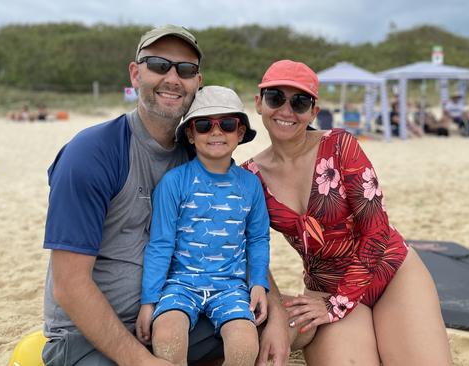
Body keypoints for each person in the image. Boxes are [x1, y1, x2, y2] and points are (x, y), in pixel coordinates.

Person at [40, 25, 289, 366]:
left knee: (294, 323)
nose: (172, 78)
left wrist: (275, 316)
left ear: (197, 82)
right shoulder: (92, 154)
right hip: (91, 337)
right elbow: (68, 286)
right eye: (158, 65)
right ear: (135, 73)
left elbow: (243, 235)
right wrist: (143, 362)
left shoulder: (200, 156)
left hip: (185, 308)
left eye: (184, 70)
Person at [242, 59, 452, 365]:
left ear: (314, 112)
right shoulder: (250, 178)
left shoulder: (340, 146)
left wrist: (337, 305)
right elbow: (251, 247)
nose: (286, 110)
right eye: (276, 98)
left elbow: (377, 230)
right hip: (325, 290)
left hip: (391, 275)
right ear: (259, 104)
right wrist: (276, 307)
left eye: (300, 102)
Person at [136, 86, 270, 366]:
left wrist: (258, 283)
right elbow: (160, 243)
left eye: (228, 124)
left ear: (241, 132)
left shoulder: (250, 184)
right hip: (180, 284)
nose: (217, 132)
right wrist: (149, 301)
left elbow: (258, 238)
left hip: (231, 288)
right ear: (190, 134)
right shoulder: (174, 182)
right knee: (167, 335)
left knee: (245, 344)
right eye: (205, 125)